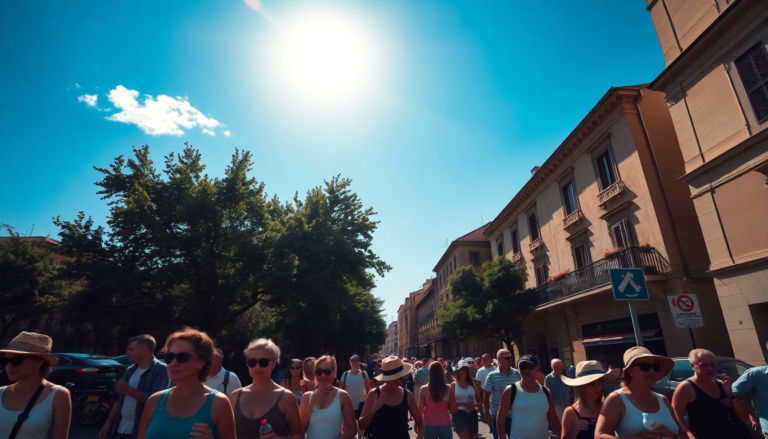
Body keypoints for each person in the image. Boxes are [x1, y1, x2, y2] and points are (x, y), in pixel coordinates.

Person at [137, 327, 235, 439]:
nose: (173, 363)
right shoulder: (154, 400)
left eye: (182, 357)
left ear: (201, 362)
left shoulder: (219, 403)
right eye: (169, 357)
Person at [595, 346, 679, 439]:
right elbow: (599, 436)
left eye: (656, 367)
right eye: (645, 366)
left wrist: (673, 436)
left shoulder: (663, 400)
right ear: (629, 370)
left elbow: (684, 435)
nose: (652, 371)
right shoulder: (617, 399)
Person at [0, 331, 71, 439]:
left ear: (39, 361)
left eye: (17, 360)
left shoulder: (58, 395)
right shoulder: (1, 392)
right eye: (5, 360)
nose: (9, 366)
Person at [228, 338, 302, 439]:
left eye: (263, 362)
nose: (257, 367)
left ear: (274, 363)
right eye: (252, 362)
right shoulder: (235, 396)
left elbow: (299, 435)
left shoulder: (285, 397)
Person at [671, 348, 751, 439]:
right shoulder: (686, 388)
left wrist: (731, 394)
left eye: (713, 365)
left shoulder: (722, 385)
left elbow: (745, 417)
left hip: (736, 434)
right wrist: (689, 435)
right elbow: (676, 415)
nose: (710, 368)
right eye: (704, 365)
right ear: (692, 366)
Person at [102, 334, 170, 439]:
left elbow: (157, 402)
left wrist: (129, 390)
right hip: (121, 428)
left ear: (143, 350)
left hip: (141, 432)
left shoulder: (162, 370)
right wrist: (108, 423)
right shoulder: (130, 370)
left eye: (131, 350)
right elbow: (119, 399)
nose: (128, 353)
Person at [495, 355, 561, 439]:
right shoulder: (511, 390)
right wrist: (502, 437)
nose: (526, 370)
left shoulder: (546, 392)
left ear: (536, 369)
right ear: (519, 369)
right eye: (522, 367)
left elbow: (553, 420)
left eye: (530, 367)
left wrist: (561, 436)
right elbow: (501, 418)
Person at [359, 356, 424, 439]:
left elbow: (420, 422)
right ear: (385, 379)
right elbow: (362, 425)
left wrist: (420, 436)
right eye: (396, 379)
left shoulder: (407, 395)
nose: (400, 381)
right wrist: (373, 410)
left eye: (401, 378)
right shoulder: (374, 394)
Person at [300, 355, 358, 439]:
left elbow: (352, 429)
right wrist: (311, 403)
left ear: (334, 372)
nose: (323, 375)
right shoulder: (307, 396)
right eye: (319, 371)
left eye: (327, 371)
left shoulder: (342, 395)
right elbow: (299, 428)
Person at [560, 360, 620, 439]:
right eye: (591, 384)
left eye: (599, 383)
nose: (597, 387)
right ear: (581, 386)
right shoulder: (570, 412)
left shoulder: (607, 407)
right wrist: (575, 430)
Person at [482, 349, 521, 439]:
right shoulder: (492, 376)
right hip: (497, 413)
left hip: (514, 414)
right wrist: (487, 414)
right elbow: (486, 395)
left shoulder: (517, 374)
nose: (510, 360)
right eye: (507, 358)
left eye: (510, 357)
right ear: (499, 360)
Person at [418, 362, 456, 439]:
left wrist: (419, 423)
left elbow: (420, 410)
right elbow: (454, 409)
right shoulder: (448, 389)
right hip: (445, 424)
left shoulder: (424, 389)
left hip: (429, 424)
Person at [339, 355, 370, 438]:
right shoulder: (345, 374)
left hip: (361, 402)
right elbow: (340, 388)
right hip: (348, 404)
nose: (354, 363)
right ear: (350, 363)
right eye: (352, 361)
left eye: (356, 361)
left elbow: (368, 388)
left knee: (361, 424)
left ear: (359, 362)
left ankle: (360, 437)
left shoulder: (364, 374)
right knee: (345, 425)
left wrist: (368, 402)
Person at [452, 359, 480, 439]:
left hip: (472, 414)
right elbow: (451, 403)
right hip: (458, 415)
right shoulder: (454, 385)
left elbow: (479, 402)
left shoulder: (472, 384)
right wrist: (463, 404)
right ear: (458, 371)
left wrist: (475, 406)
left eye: (465, 369)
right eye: (461, 369)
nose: (464, 371)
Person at [474, 354, 496, 424]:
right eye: (483, 359)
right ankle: (491, 426)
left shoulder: (495, 369)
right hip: (484, 393)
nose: (484, 360)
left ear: (490, 359)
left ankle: (493, 425)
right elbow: (477, 384)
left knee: (494, 412)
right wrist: (485, 391)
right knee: (487, 411)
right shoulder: (480, 371)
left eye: (485, 359)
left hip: (495, 394)